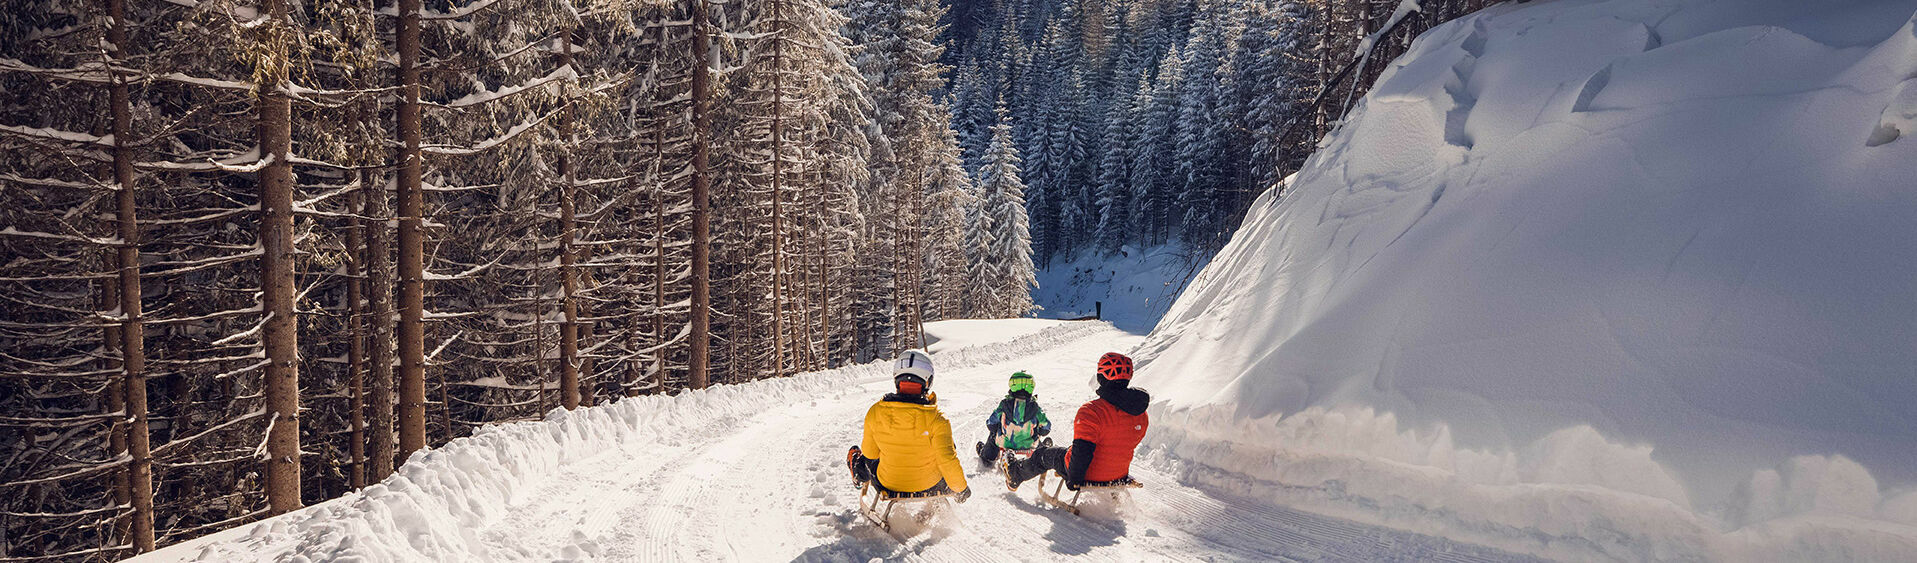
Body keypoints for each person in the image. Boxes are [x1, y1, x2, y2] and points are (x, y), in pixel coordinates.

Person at [1006, 352, 1149, 491]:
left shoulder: (1092, 411)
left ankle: (1015, 474)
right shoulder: (1141, 415)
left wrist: (1073, 481)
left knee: (1044, 455)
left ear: (1101, 377)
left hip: (1086, 475)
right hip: (1118, 474)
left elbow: (1082, 451)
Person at [847, 350, 971, 502]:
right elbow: (947, 460)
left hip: (888, 484)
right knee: (948, 446)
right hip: (930, 484)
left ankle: (858, 472)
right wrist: (961, 489)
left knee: (868, 458)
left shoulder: (876, 412)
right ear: (928, 380)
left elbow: (870, 453)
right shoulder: (938, 419)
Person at [976, 371, 1052, 465]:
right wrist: (1041, 430)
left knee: (994, 432)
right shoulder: (1035, 408)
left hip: (1006, 443)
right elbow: (1046, 427)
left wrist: (996, 427)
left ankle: (987, 456)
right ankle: (1043, 451)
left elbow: (991, 423)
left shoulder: (1004, 405)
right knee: (1036, 430)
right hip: (1029, 444)